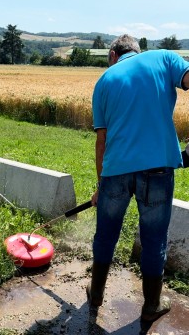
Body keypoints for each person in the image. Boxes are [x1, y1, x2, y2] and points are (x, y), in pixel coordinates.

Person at [87, 34, 189, 322]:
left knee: (106, 234)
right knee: (154, 238)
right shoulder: (165, 58)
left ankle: (95, 295)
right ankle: (151, 305)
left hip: (115, 172)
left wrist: (102, 186)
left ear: (112, 54)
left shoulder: (105, 80)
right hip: (157, 169)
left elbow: (101, 140)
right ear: (138, 50)